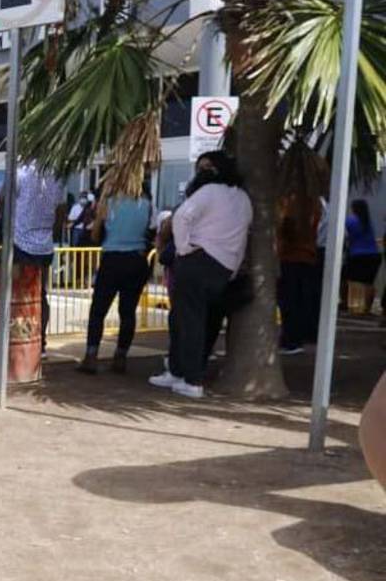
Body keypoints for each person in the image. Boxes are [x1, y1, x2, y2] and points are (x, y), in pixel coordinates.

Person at [150, 151, 251, 399]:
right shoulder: (243, 199)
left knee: (186, 321)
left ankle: (190, 378)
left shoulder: (209, 192)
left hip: (198, 260)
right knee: (196, 321)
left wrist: (183, 249)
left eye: (205, 168)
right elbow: (242, 236)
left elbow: (182, 217)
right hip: (224, 268)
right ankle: (180, 371)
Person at [76, 185, 152, 375]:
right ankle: (120, 356)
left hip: (112, 259)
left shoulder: (108, 204)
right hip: (137, 259)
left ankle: (91, 356)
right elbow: (151, 230)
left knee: (98, 310)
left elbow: (95, 234)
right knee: (127, 312)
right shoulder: (147, 204)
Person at [11, 162, 63, 353]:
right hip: (45, 245)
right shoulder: (55, 174)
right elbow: (61, 210)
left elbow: (3, 200)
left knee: (18, 295)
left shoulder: (20, 172)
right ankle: (39, 342)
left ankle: (20, 340)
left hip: (21, 242)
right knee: (40, 295)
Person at [276, 191, 320, 353]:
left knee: (290, 300)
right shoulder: (314, 203)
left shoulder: (291, 203)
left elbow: (286, 227)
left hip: (291, 257)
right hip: (306, 256)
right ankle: (299, 337)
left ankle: (291, 340)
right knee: (302, 299)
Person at [343, 199, 381, 315]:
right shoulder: (368, 222)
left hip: (358, 256)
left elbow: (343, 234)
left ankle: (349, 306)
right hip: (374, 256)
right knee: (368, 283)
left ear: (354, 208)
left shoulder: (350, 220)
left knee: (349, 280)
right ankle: (367, 309)